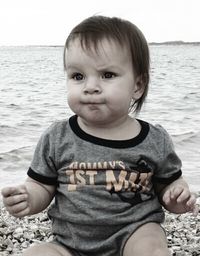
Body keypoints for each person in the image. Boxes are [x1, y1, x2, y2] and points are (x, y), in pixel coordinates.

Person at [1, 15, 198, 256]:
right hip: (70, 243)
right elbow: (42, 185)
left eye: (107, 75)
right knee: (36, 253)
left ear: (137, 85)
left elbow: (169, 185)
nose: (90, 86)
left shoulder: (154, 139)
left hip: (133, 232)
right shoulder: (57, 137)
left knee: (151, 246)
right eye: (77, 76)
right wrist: (28, 198)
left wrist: (177, 197)